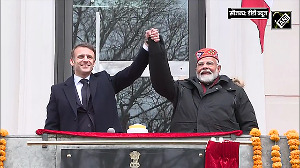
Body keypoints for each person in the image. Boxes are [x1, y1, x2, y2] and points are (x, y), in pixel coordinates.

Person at [146, 28, 258, 134]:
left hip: (222, 153)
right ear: (196, 69)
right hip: (186, 153)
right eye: (201, 64)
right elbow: (161, 82)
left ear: (218, 68)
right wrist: (156, 47)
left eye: (209, 63)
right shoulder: (182, 89)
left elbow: (250, 127)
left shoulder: (235, 92)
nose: (205, 67)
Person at [44, 30, 160, 132]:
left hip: (105, 151)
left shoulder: (105, 81)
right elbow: (51, 128)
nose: (85, 60)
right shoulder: (58, 91)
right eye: (80, 57)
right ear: (72, 61)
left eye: (89, 57)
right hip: (71, 152)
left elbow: (132, 73)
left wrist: (146, 46)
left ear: (93, 63)